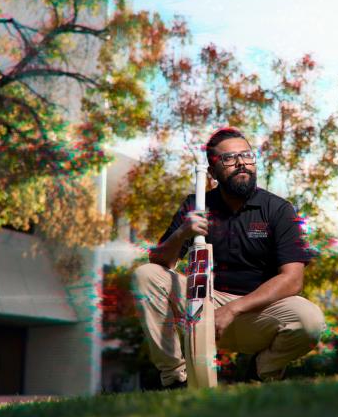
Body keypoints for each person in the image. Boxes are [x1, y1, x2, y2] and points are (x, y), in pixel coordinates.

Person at [131, 127, 325, 389]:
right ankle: (176, 377)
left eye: (247, 155)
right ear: (212, 173)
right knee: (145, 275)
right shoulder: (196, 205)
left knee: (309, 319)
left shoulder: (279, 209)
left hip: (258, 312)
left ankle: (261, 369)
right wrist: (182, 233)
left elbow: (293, 280)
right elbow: (160, 263)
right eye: (229, 159)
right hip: (203, 305)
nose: (241, 163)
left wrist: (233, 309)